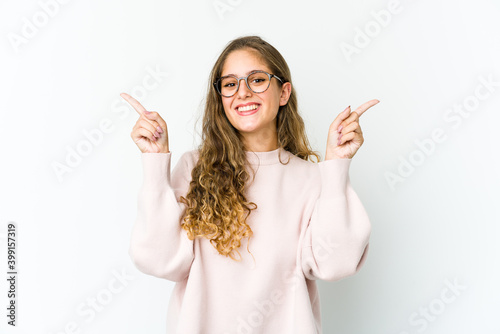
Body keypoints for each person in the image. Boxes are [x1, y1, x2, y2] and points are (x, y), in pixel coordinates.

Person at [121, 35, 379, 334]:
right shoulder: (194, 169)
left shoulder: (312, 178)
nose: (242, 93)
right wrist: (155, 163)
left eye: (256, 80)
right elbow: (159, 260)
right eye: (230, 84)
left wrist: (336, 164)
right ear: (220, 97)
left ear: (284, 93)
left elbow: (336, 264)